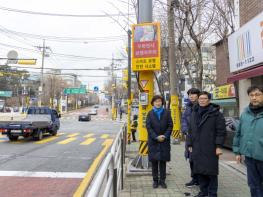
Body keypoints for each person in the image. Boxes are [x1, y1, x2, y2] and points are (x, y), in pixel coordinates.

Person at [187, 91, 226, 197]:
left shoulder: (216, 113)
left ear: (209, 100)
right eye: (200, 98)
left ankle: (213, 193)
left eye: (205, 98)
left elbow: (221, 131)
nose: (202, 100)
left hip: (210, 147)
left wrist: (218, 146)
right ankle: (203, 192)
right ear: (198, 100)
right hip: (196, 146)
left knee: (211, 172)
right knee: (199, 171)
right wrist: (189, 144)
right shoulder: (194, 112)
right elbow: (190, 130)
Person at [233, 85, 263, 197]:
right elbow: (239, 133)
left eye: (258, 95)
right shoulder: (245, 114)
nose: (254, 98)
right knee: (253, 185)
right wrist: (237, 151)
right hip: (250, 158)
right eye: (251, 95)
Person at [146, 95, 173, 189]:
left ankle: (162, 181)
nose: (158, 103)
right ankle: (155, 181)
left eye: (159, 101)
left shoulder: (167, 113)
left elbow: (170, 125)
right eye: (156, 101)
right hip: (153, 141)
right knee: (154, 162)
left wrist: (165, 136)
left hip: (164, 141)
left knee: (162, 162)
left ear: (162, 102)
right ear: (153, 103)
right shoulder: (150, 113)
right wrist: (156, 137)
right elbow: (148, 127)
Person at [181, 88, 200, 188]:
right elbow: (184, 119)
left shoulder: (201, 105)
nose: (191, 96)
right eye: (190, 94)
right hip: (189, 137)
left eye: (194, 94)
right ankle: (194, 178)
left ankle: (201, 180)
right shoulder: (188, 107)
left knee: (199, 159)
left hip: (200, 138)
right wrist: (185, 130)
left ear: (198, 95)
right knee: (191, 159)